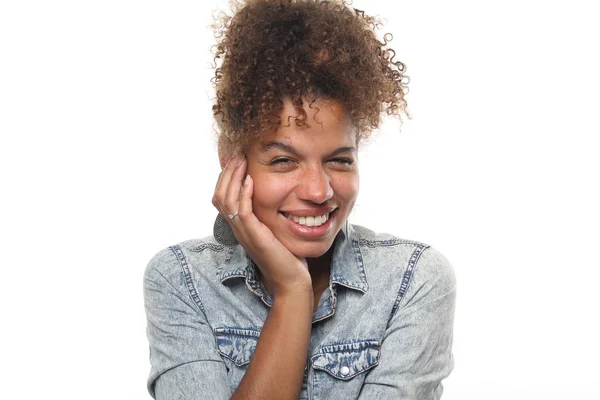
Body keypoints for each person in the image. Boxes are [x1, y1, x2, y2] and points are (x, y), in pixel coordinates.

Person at [143, 0, 456, 399]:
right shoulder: (181, 279)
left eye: (340, 160)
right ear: (231, 162)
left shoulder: (413, 280)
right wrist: (292, 291)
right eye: (284, 161)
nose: (319, 191)